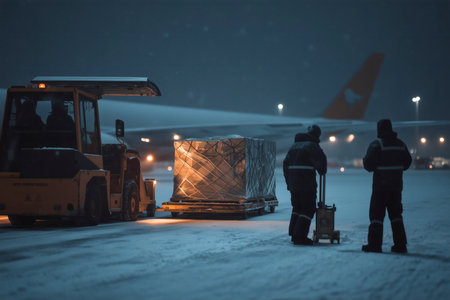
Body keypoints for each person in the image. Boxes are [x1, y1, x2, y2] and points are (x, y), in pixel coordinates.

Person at [362, 119, 412, 253]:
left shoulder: (376, 144)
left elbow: (368, 165)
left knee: (376, 217)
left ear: (379, 129)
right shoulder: (401, 144)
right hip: (396, 187)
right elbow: (407, 163)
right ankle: (400, 245)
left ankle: (374, 245)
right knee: (396, 216)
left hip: (380, 187)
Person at [283, 125, 327, 245]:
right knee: (308, 209)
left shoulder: (294, 147)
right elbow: (322, 166)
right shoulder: (312, 146)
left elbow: (285, 165)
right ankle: (299, 236)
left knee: (297, 208)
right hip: (307, 184)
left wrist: (289, 183)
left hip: (294, 185)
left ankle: (293, 233)